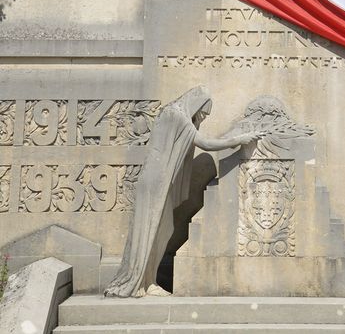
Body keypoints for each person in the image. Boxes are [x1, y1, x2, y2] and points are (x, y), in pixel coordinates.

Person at [104, 85, 259, 297]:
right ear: (196, 104)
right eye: (202, 114)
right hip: (156, 181)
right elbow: (205, 143)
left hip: (159, 181)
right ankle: (140, 282)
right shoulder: (177, 117)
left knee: (163, 230)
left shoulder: (172, 113)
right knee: (151, 231)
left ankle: (148, 280)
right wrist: (239, 140)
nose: (202, 119)